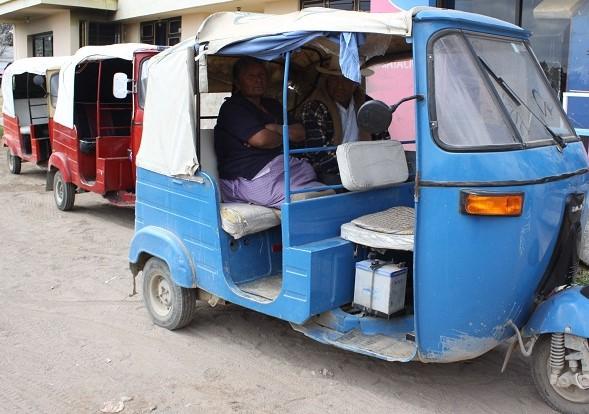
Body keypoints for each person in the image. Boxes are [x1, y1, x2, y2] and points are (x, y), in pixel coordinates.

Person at [214, 57, 323, 209]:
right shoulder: (233, 108)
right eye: (251, 76)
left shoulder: (273, 105)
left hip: (284, 169)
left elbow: (300, 133)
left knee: (325, 191)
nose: (258, 80)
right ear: (238, 82)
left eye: (262, 75)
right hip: (248, 176)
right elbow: (263, 140)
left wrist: (274, 128)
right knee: (306, 202)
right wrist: (282, 134)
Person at [301, 56, 374, 184]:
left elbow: (382, 138)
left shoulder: (368, 104)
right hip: (331, 168)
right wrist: (352, 167)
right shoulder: (315, 107)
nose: (340, 86)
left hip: (365, 163)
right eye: (334, 79)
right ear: (327, 81)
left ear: (355, 83)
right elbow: (318, 153)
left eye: (346, 80)